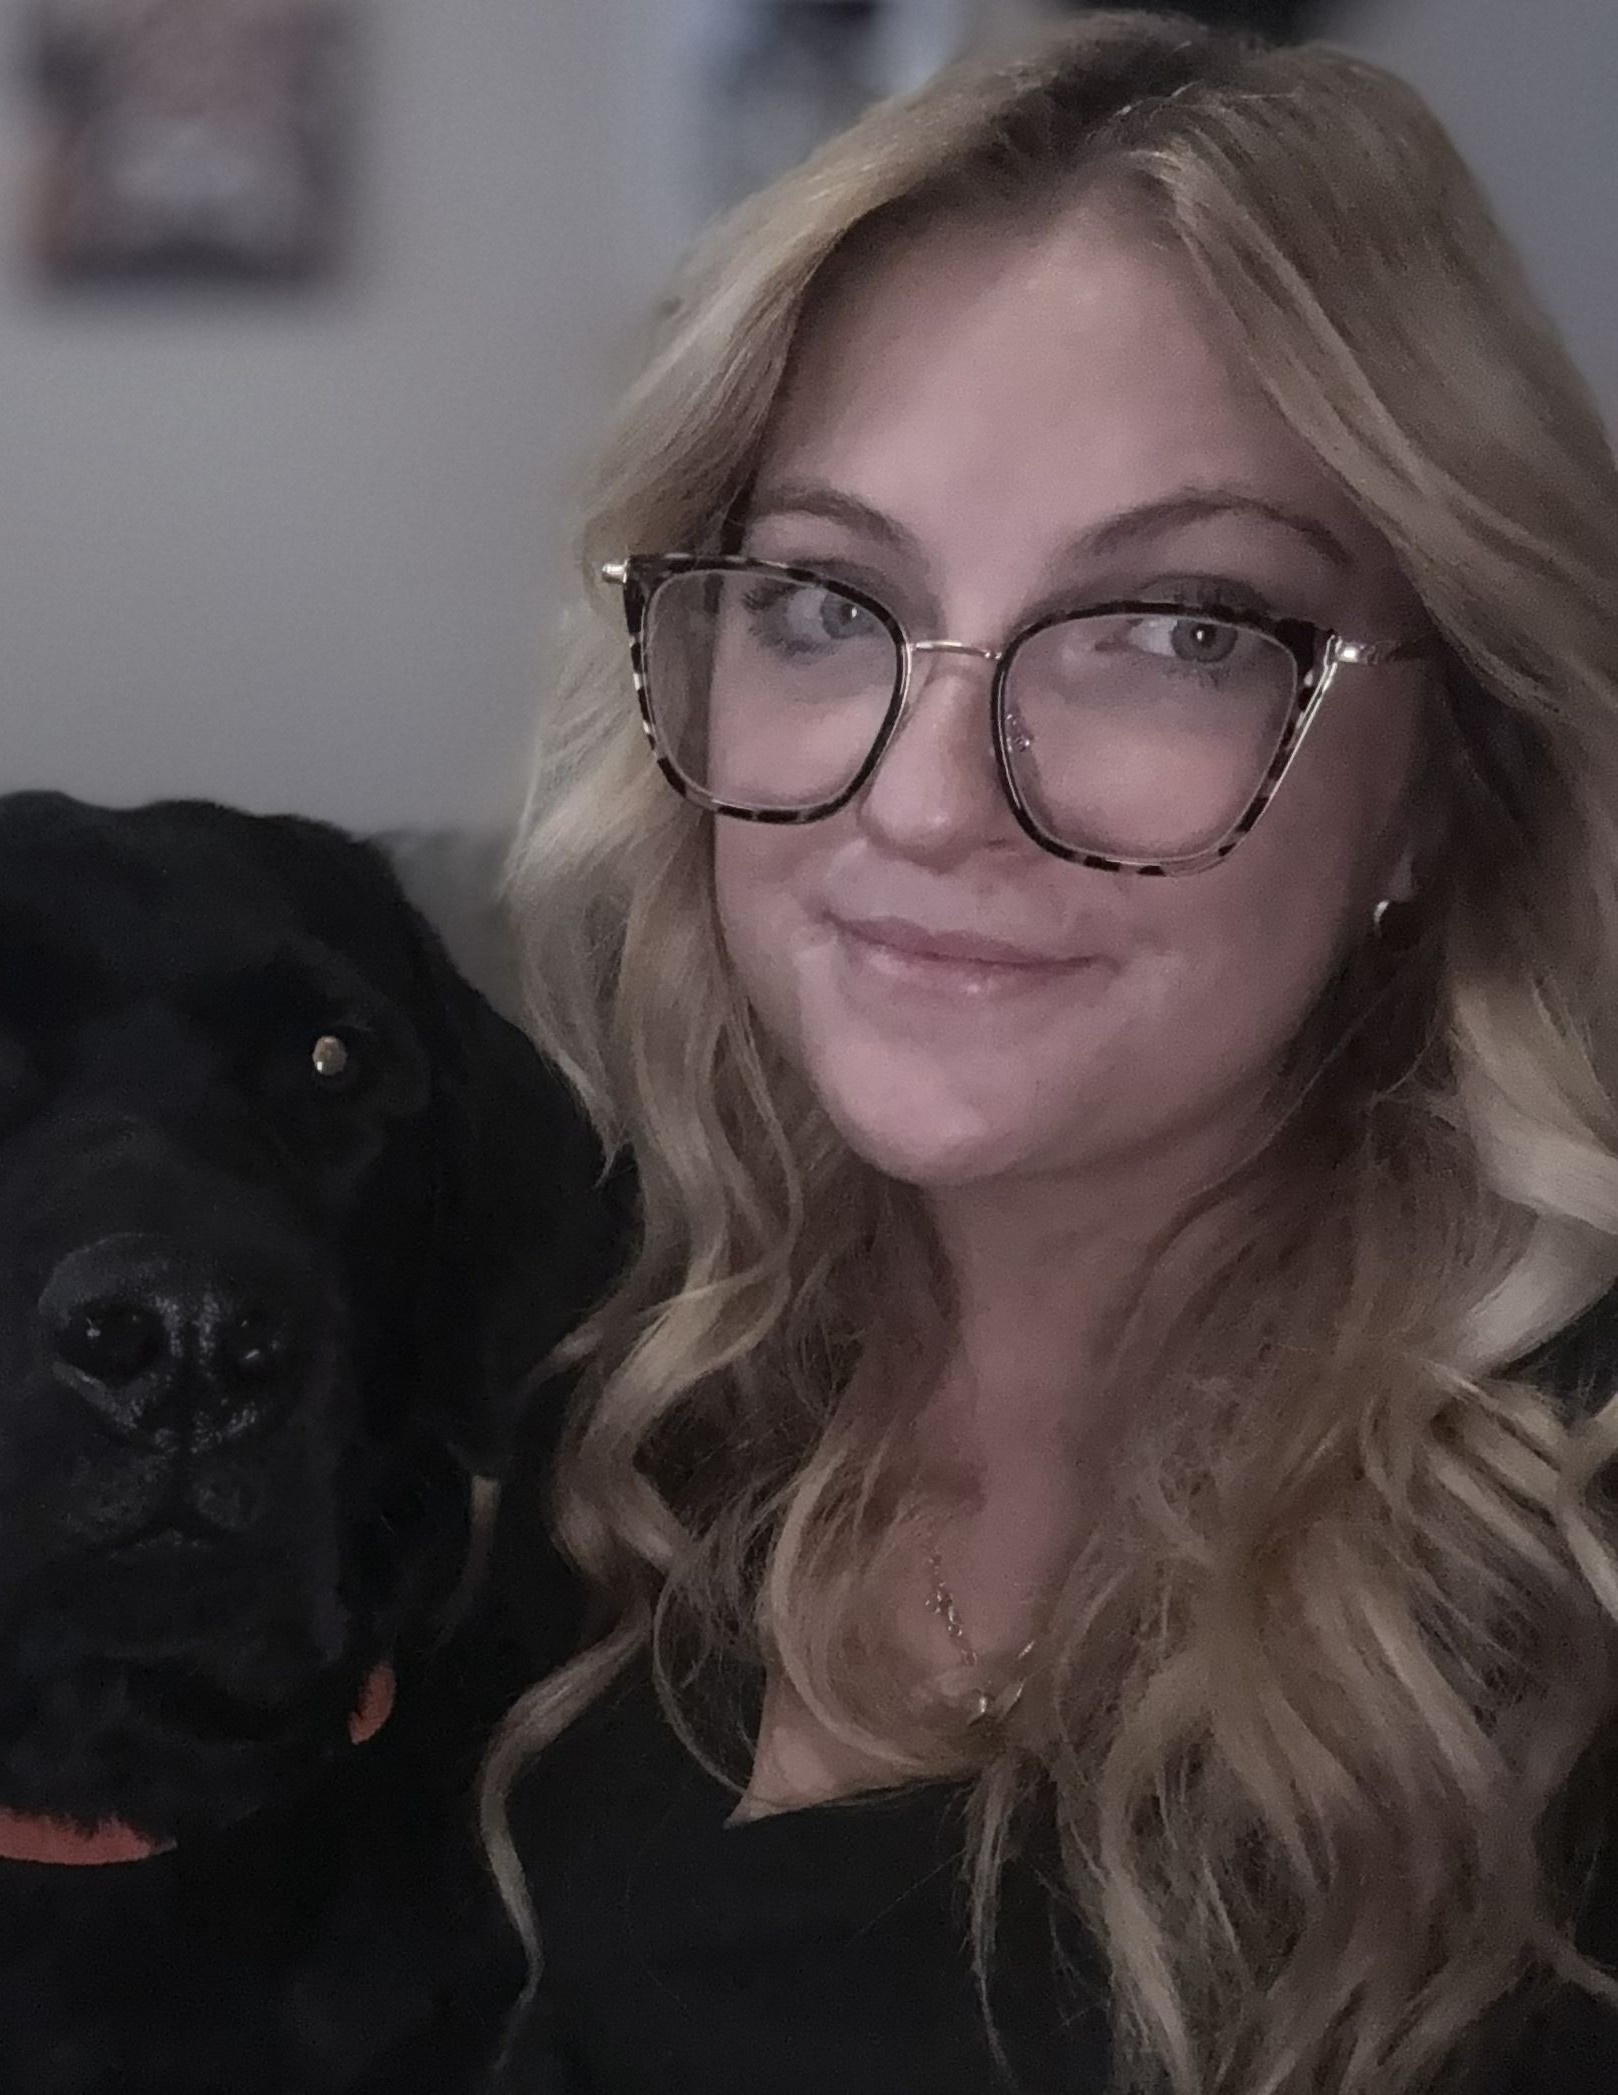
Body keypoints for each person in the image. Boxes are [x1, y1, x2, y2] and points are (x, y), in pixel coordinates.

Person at [477, 10, 1618, 2092]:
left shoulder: (1566, 1595)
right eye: (827, 603)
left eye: (1171, 630)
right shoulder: (608, 1377)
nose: (925, 798)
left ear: (1446, 779)